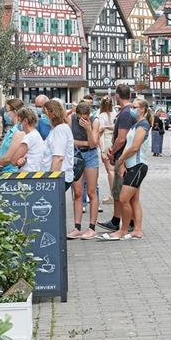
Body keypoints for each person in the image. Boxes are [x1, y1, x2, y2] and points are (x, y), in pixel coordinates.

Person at [103, 98, 151, 240]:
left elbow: (134, 147)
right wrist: (123, 163)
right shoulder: (136, 124)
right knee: (133, 200)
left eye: (135, 107)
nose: (132, 109)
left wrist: (122, 159)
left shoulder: (143, 125)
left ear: (142, 109)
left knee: (124, 199)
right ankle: (137, 230)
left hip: (138, 166)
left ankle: (123, 230)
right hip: (132, 166)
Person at [99, 84, 135, 232]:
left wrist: (112, 152)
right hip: (126, 157)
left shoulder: (125, 113)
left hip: (122, 157)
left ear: (117, 96)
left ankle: (118, 221)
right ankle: (127, 221)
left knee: (119, 191)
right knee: (127, 193)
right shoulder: (128, 111)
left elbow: (121, 138)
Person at [68, 101, 101, 239]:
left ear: (89, 115)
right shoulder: (71, 119)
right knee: (78, 192)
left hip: (90, 155)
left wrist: (88, 129)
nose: (83, 120)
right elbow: (69, 140)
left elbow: (93, 143)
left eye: (85, 117)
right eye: (80, 117)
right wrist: (84, 143)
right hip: (76, 155)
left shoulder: (95, 121)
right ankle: (77, 227)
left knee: (92, 191)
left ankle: (92, 227)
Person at [41, 99, 76, 193]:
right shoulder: (57, 129)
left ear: (51, 113)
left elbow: (58, 157)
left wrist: (51, 180)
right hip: (58, 177)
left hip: (58, 178)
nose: (43, 116)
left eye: (45, 112)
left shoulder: (60, 130)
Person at [0, 98, 25, 173]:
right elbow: (3, 152)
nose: (5, 114)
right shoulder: (11, 130)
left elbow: (8, 157)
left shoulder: (19, 130)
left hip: (10, 173)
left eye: (7, 111)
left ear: (15, 112)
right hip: (4, 172)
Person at [12, 108, 45, 172]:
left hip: (27, 174)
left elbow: (13, 160)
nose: (18, 124)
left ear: (25, 121)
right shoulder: (36, 134)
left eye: (19, 121)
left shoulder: (29, 137)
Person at [97, 96, 116, 204]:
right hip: (114, 142)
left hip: (106, 142)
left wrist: (102, 150)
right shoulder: (115, 114)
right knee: (115, 170)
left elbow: (100, 134)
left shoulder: (101, 116)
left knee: (110, 171)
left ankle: (112, 196)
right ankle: (116, 194)